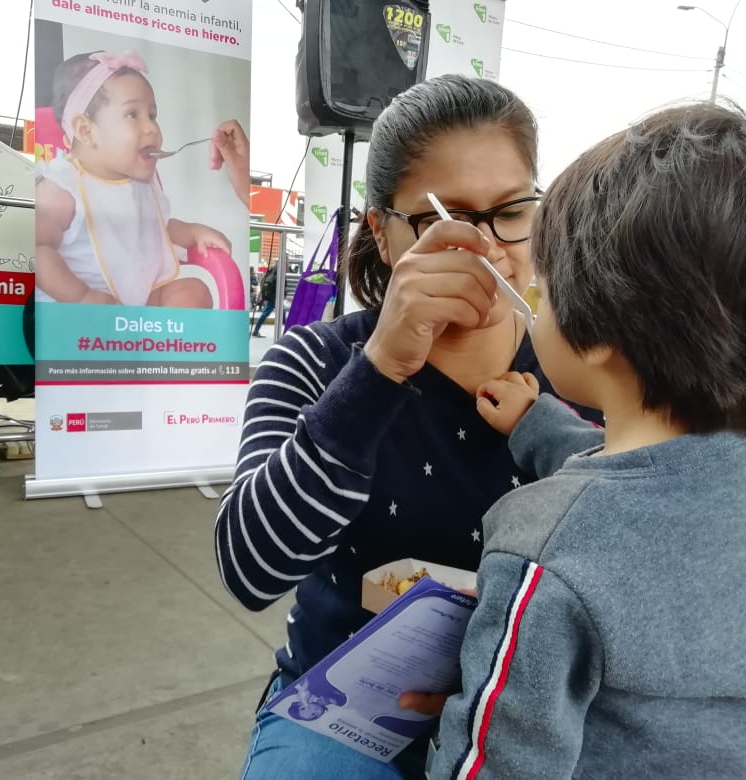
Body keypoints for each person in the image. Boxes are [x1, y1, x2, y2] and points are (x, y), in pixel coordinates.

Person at [214, 74, 599, 779]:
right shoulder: (317, 360)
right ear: (384, 237)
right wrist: (382, 365)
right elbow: (249, 569)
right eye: (443, 219)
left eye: (511, 210)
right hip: (344, 717)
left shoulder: (589, 374)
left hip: (538, 717)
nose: (485, 246)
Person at [428, 103, 746, 778]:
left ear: (599, 335)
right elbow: (647, 484)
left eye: (542, 284)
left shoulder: (543, 548)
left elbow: (495, 763)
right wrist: (535, 423)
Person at [35, 51, 230, 307]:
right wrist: (80, 296)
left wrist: (192, 232)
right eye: (132, 114)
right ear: (86, 130)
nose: (152, 128)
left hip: (136, 307)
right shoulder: (63, 186)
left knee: (192, 292)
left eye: (152, 115)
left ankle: (159, 344)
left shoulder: (141, 185)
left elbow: (153, 225)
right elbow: (38, 250)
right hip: (78, 313)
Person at [251, 263, 278, 337]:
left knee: (265, 313)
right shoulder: (276, 276)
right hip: (274, 298)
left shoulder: (270, 274)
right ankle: (256, 331)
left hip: (271, 298)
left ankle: (256, 330)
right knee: (265, 314)